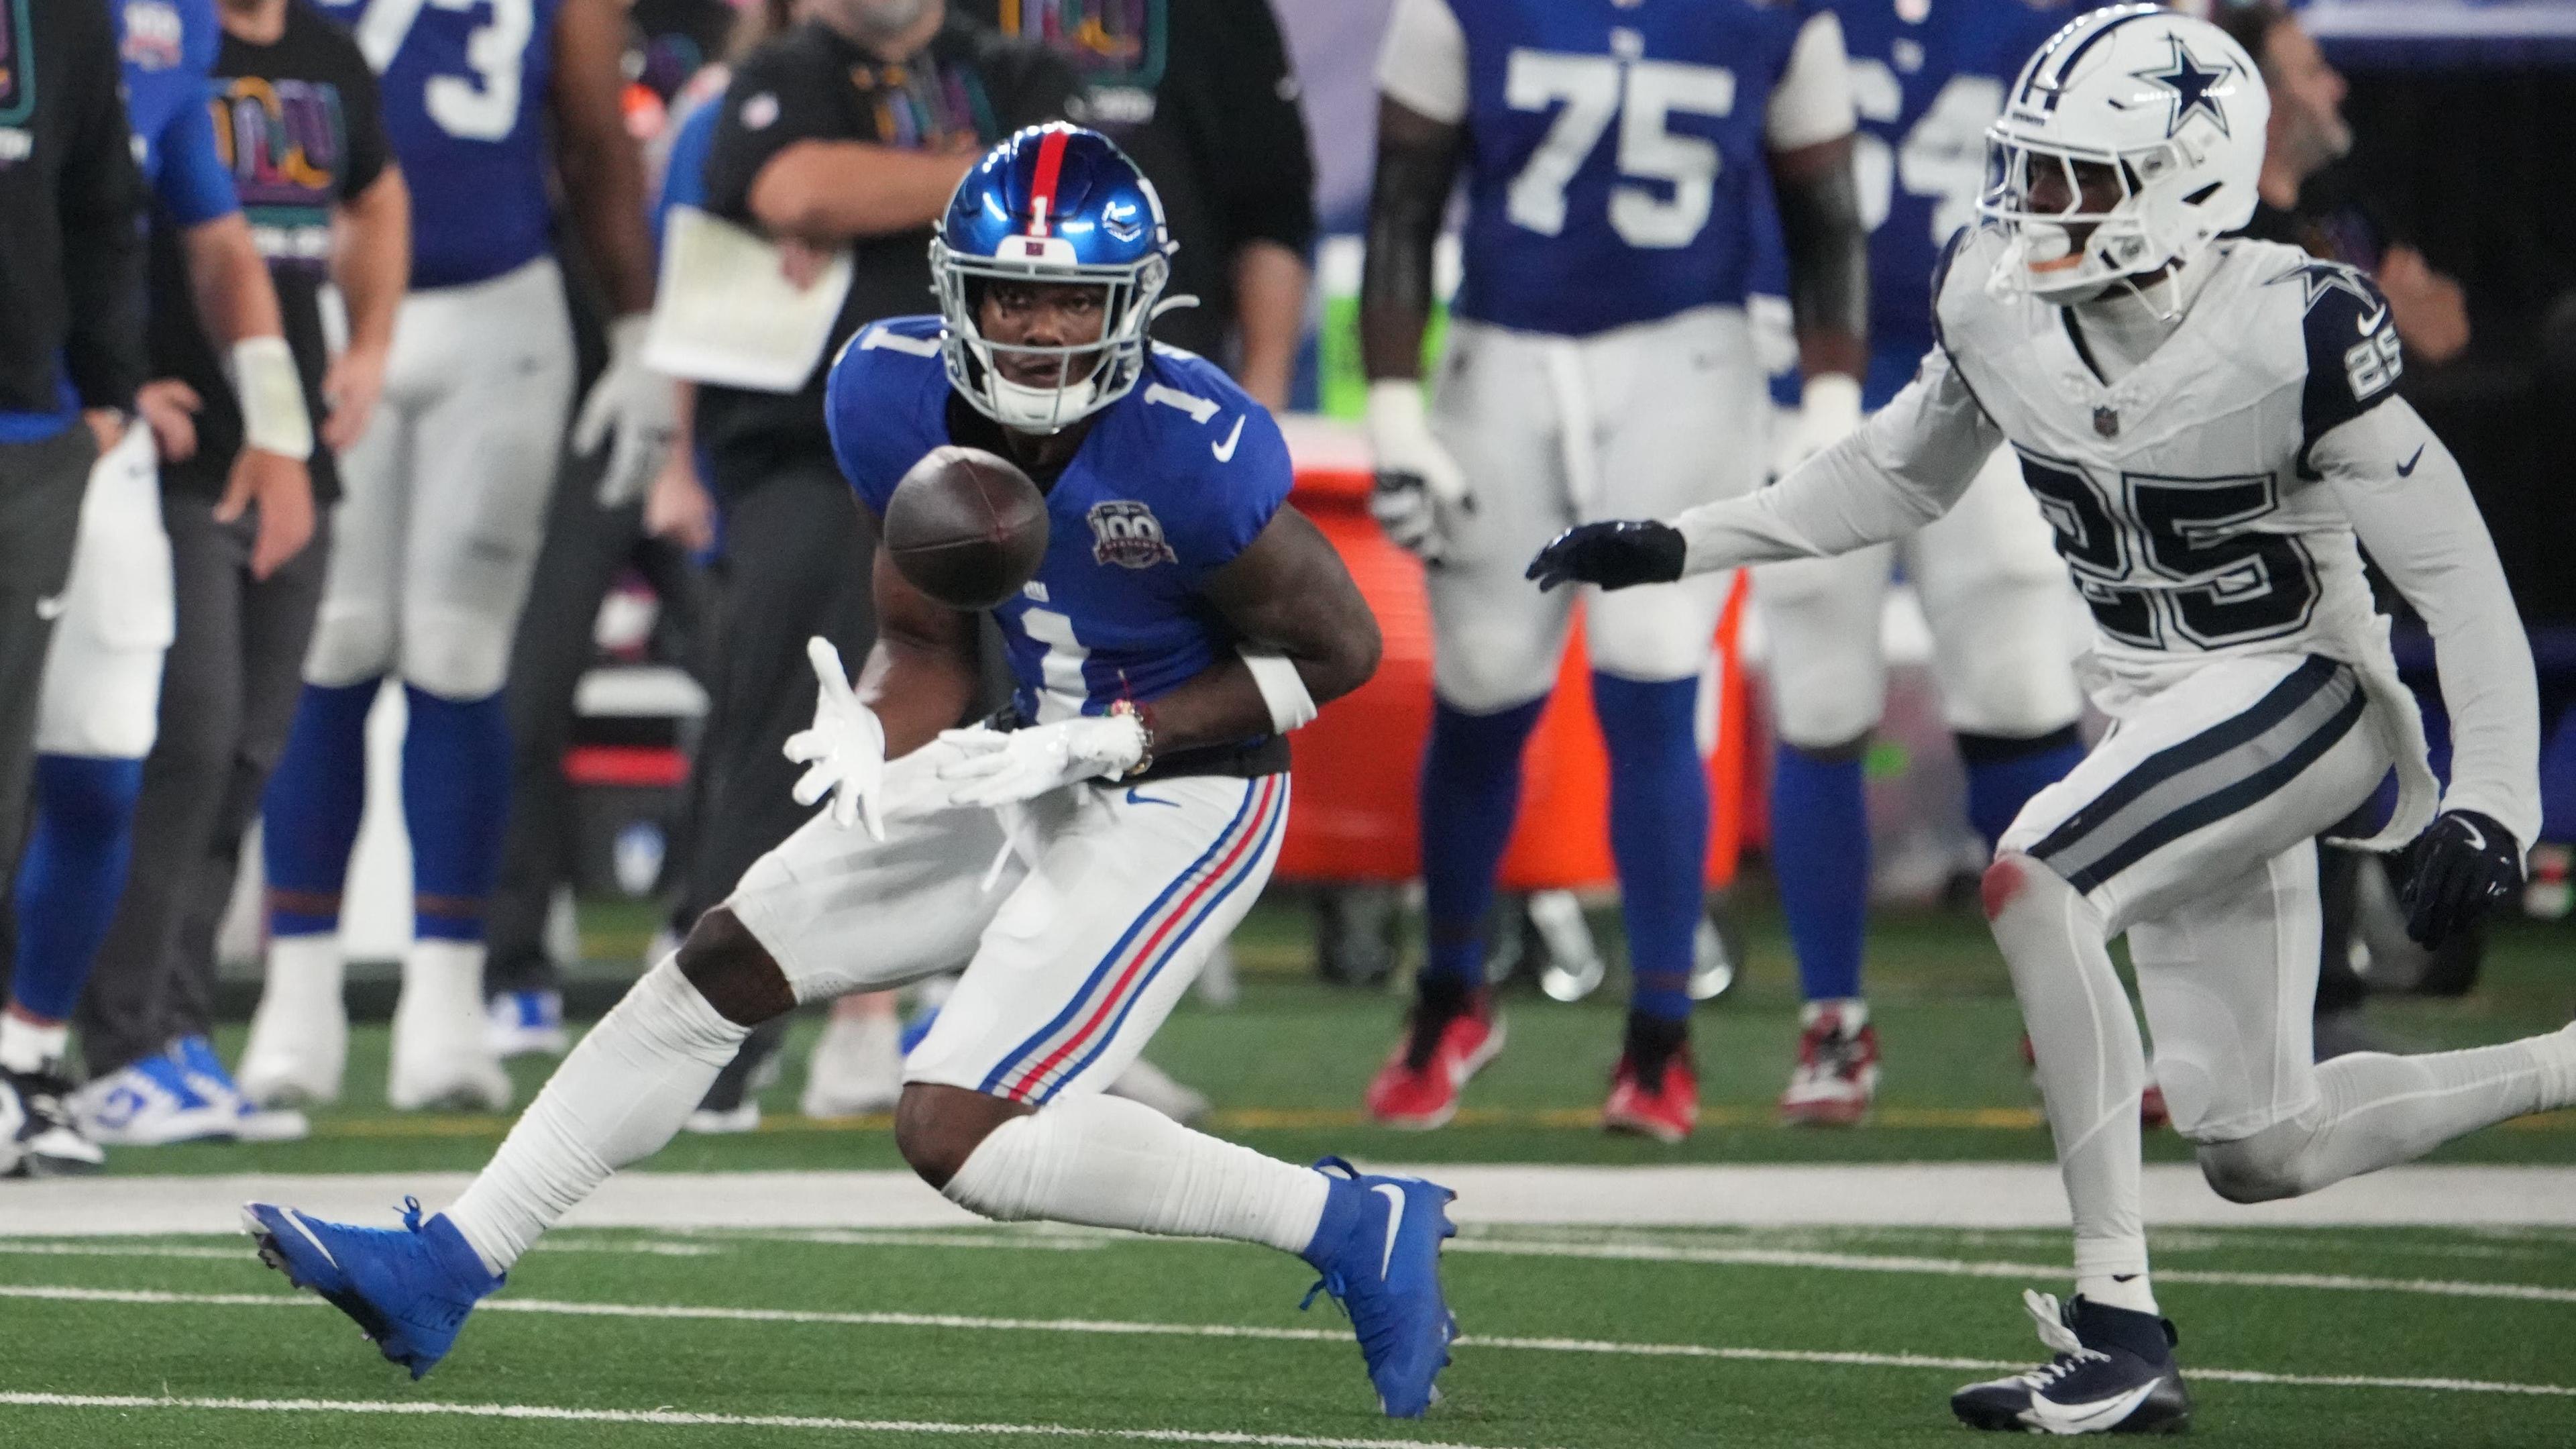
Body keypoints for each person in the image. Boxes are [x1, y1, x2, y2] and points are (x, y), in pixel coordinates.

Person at [246, 123, 1461, 1421]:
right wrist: (881, 730)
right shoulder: (891, 391)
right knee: (719, 962)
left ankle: (1346, 1221)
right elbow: (926, 638)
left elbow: (1341, 653)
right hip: (1022, 755)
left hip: (1193, 788)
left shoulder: (1189, 444)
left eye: (1071, 300)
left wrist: (1126, 737)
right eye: (1011, 294)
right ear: (957, 291)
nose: (1041, 328)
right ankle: (452, 1262)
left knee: (956, 1131)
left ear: (1134, 307)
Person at [1531, 7, 2576, 1433]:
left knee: (2037, 872)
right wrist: (1682, 542)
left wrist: (2494, 798)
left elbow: (2456, 574)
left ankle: (2115, 1326)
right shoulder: (1996, 296)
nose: (2038, 207)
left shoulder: (2300, 324)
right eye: (2033, 169)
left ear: (2191, 172)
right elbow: (1893, 476)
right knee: (2258, 1146)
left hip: (2305, 691)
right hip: (2162, 711)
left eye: (2081, 176)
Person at [1358, 0, 1868, 1140]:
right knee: (1483, 688)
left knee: (1652, 674)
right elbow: (1405, 200)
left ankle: (1659, 1035)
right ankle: (1450, 993)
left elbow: (1826, 215)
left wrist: (1829, 395)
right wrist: (1393, 402)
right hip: (1503, 353)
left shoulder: (1780, 19)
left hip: (1690, 354)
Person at [234, 0, 669, 1114]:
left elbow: (590, 127)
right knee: (332, 642)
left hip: (498, 309)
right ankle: (297, 1001)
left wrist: (635, 324)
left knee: (460, 651)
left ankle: (445, 1001)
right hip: (322, 301)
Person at [668, 0, 1075, 1122]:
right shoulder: (778, 76)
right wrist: (972, 186)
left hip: (1003, 459)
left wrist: (874, 193)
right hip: (810, 456)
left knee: (1029, 745)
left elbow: (1065, 213)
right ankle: (715, 1046)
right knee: (784, 746)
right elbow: (795, 191)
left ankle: (1031, 1035)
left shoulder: (1018, 68)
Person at [67, 0, 407, 1156]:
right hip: (161, 448)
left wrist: (361, 353)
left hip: (278, 445)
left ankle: (167, 1027)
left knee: (249, 745)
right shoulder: (124, 38)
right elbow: (59, 215)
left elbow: (371, 195)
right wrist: (98, 384)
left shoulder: (319, 52)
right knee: (185, 739)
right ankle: (109, 1040)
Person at [1760, 0, 2101, 1128]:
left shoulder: (2043, 23)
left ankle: (2071, 1005)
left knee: (2019, 688)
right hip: (1808, 370)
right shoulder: (1790, 22)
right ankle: (1832, 1019)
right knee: (1820, 696)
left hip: (1994, 375)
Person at [4, 0, 319, 1170]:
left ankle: (28, 1058)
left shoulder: (154, 30)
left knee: (110, 759)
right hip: (44, 419)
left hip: (96, 435)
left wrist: (279, 431)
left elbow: (215, 235)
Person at [0, 0, 152, 1177]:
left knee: (82, 753)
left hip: (44, 425)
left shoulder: (78, 19)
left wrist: (108, 388)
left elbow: (118, 206)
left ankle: (27, 1055)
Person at [959, 0, 1315, 409]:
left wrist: (1262, 395)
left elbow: (1273, 207)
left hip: (1165, 390)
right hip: (970, 381)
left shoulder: (1224, 12)